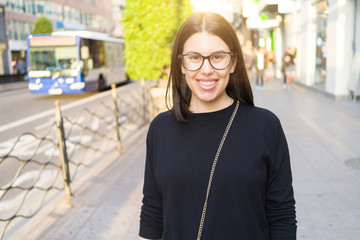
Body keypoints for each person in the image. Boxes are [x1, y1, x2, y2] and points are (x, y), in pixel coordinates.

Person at [139, 12, 296, 240]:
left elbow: (281, 216)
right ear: (181, 64)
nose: (206, 70)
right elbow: (152, 214)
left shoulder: (265, 126)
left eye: (218, 57)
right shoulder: (161, 129)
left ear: (233, 63)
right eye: (194, 58)